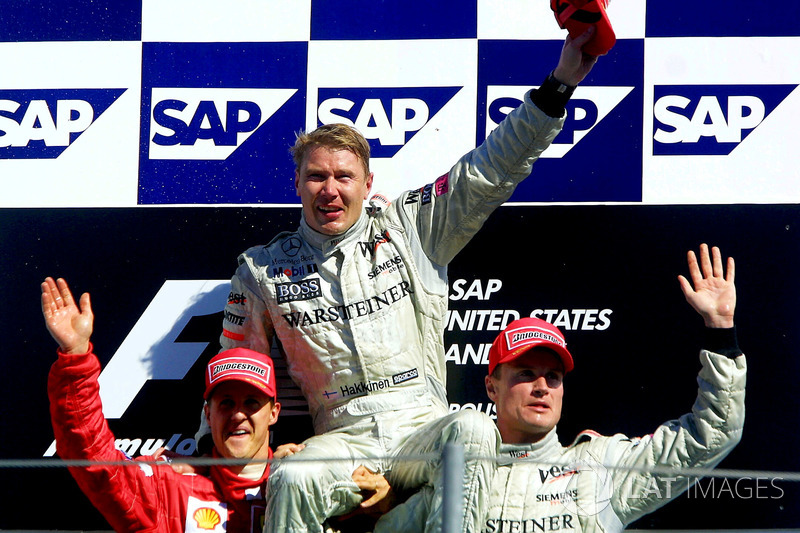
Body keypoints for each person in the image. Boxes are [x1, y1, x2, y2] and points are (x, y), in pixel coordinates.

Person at [213, 29, 603, 533]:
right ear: (297, 184)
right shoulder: (261, 268)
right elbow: (234, 372)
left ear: (368, 183)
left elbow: (488, 172)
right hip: (342, 440)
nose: (330, 190)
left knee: (472, 427)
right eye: (316, 177)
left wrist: (560, 84)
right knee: (291, 475)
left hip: (421, 433)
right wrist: (211, 458)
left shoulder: (409, 227)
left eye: (344, 177)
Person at [373, 243, 746, 531]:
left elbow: (709, 436)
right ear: (491, 387)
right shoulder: (449, 475)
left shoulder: (600, 468)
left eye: (553, 377)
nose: (542, 387)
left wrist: (721, 330)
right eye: (525, 373)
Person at [44, 276, 285, 532]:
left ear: (273, 413)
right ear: (208, 414)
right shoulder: (168, 485)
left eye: (251, 403)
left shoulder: (306, 482)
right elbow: (91, 455)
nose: (238, 414)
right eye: (226, 403)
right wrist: (75, 358)